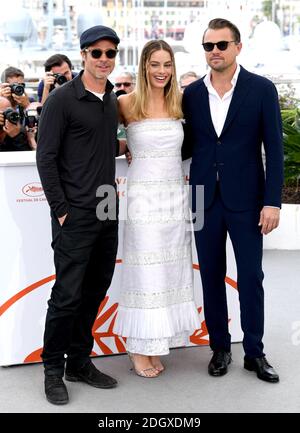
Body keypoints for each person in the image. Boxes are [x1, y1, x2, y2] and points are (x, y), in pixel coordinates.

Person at [182, 18, 284, 383]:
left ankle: (254, 353)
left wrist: (272, 202)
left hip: (248, 201)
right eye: (208, 46)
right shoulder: (191, 94)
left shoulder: (261, 89)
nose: (214, 52)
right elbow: (185, 145)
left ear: (238, 47)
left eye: (221, 45)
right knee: (210, 276)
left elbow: (275, 149)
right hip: (203, 199)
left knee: (251, 277)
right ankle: (220, 348)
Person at [36, 25, 126, 405]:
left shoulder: (110, 100)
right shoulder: (61, 99)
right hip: (74, 215)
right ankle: (53, 369)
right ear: (83, 56)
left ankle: (79, 361)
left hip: (108, 208)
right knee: (67, 296)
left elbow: (98, 145)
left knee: (95, 290)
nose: (104, 59)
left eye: (110, 53)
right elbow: (46, 156)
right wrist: (60, 210)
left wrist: (123, 146)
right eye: (96, 53)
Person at [114, 40, 200, 378]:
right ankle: (138, 347)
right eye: (155, 64)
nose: (161, 71)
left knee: (169, 271)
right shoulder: (124, 103)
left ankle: (155, 342)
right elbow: (106, 142)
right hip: (142, 201)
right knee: (145, 271)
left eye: (167, 64)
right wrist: (124, 149)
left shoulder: (180, 102)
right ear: (144, 66)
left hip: (174, 200)